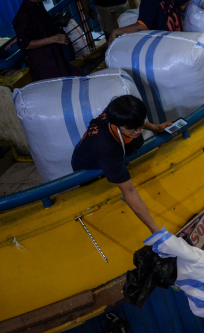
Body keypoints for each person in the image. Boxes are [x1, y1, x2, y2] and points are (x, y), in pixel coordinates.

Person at [71, 95, 172, 234]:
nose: (138, 131)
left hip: (114, 149)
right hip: (89, 163)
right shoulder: (106, 148)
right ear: (117, 124)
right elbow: (129, 192)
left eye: (139, 126)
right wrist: (155, 231)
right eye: (131, 129)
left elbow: (136, 121)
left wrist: (156, 128)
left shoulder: (120, 110)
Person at [11, 0, 81, 81]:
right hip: (46, 65)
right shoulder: (23, 16)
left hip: (56, 58)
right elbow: (25, 44)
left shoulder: (37, 5)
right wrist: (53, 39)